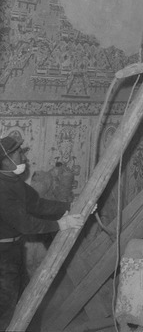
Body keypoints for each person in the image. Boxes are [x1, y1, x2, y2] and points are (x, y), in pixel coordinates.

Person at [0, 135, 84, 330]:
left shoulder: (13, 181)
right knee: (6, 308)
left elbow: (37, 204)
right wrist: (60, 224)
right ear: (5, 160)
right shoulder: (2, 189)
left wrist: (70, 207)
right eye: (19, 153)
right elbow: (26, 224)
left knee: (25, 302)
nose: (24, 157)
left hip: (12, 250)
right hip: (2, 256)